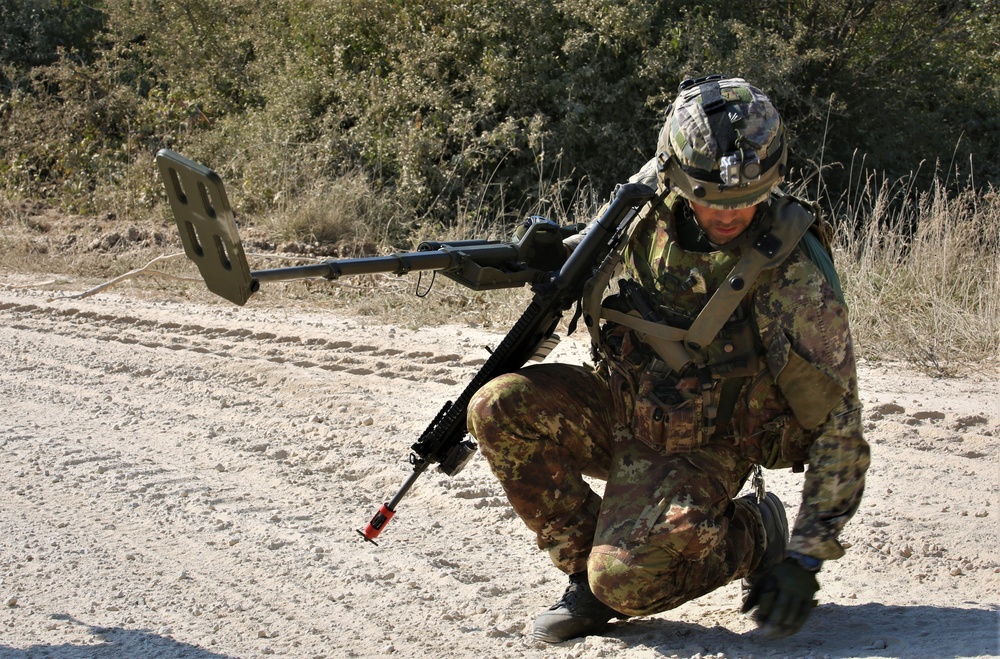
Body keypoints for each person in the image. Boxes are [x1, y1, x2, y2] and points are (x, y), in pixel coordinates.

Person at [466, 75, 870, 643]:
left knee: (628, 582)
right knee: (498, 405)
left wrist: (805, 558)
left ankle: (755, 533)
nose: (729, 217)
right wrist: (517, 260)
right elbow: (580, 255)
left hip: (715, 439)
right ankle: (588, 579)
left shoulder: (792, 270)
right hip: (628, 406)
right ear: (678, 177)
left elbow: (839, 423)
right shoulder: (646, 199)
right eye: (710, 201)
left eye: (747, 202)